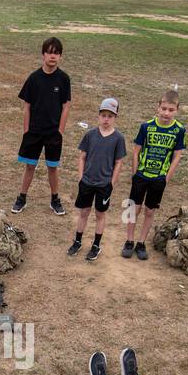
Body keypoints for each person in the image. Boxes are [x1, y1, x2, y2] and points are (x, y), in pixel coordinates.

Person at [12, 37, 72, 216]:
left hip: (53, 132)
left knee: (52, 167)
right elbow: (27, 106)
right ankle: (21, 197)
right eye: (50, 52)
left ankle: (55, 199)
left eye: (56, 53)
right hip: (34, 131)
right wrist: (26, 130)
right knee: (29, 166)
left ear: (60, 56)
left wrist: (60, 130)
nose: (53, 56)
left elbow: (66, 106)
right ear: (43, 54)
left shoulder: (63, 79)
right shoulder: (34, 78)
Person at [123, 89, 186, 260]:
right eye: (164, 108)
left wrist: (167, 178)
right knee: (133, 209)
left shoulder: (179, 130)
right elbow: (136, 151)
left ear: (177, 110)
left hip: (159, 178)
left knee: (150, 212)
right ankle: (129, 240)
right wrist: (135, 173)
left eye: (171, 110)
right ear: (158, 107)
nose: (167, 113)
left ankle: (141, 243)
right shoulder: (146, 126)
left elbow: (177, 155)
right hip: (142, 175)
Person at [69, 98, 127, 263]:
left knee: (100, 214)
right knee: (84, 212)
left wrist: (112, 183)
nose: (106, 119)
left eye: (110, 116)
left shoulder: (118, 138)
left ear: (115, 117)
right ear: (99, 115)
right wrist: (81, 177)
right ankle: (78, 241)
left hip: (104, 185)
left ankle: (96, 245)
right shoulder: (90, 135)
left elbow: (118, 163)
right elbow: (82, 157)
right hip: (87, 182)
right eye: (103, 115)